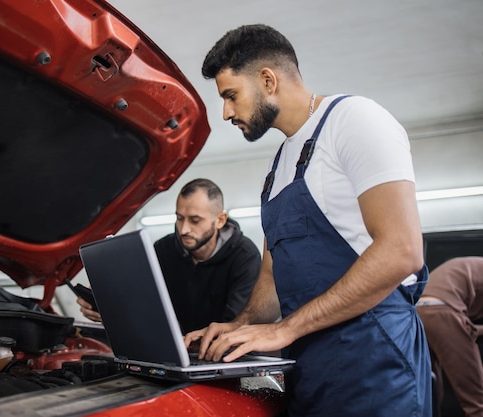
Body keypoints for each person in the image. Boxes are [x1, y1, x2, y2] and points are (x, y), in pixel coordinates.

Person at [183, 24, 432, 417]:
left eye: (231, 96)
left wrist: (283, 330)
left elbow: (402, 251)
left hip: (373, 363)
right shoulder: (277, 166)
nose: (226, 112)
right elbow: (271, 275)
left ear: (267, 80)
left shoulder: (354, 120)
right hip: (308, 369)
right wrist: (241, 325)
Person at [77, 178, 261, 333]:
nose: (184, 229)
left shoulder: (245, 257)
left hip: (222, 355)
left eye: (195, 220)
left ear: (220, 220)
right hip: (170, 351)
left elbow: (233, 326)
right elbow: (142, 301)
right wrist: (109, 307)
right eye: (179, 218)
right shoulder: (163, 249)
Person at [416, 257, 483, 417]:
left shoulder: (472, 267)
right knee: (476, 401)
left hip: (419, 313)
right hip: (443, 311)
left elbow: (465, 327)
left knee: (431, 392)